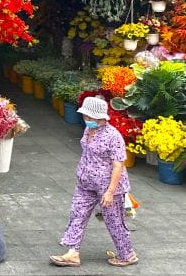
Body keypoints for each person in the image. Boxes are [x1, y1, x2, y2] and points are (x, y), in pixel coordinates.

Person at [51, 95, 138, 268]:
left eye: (90, 117)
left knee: (114, 221)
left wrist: (110, 192)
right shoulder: (88, 130)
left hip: (109, 187)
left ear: (100, 117)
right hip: (86, 183)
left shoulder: (113, 136)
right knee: (77, 214)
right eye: (85, 116)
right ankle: (72, 253)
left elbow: (118, 165)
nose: (87, 119)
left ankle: (127, 254)